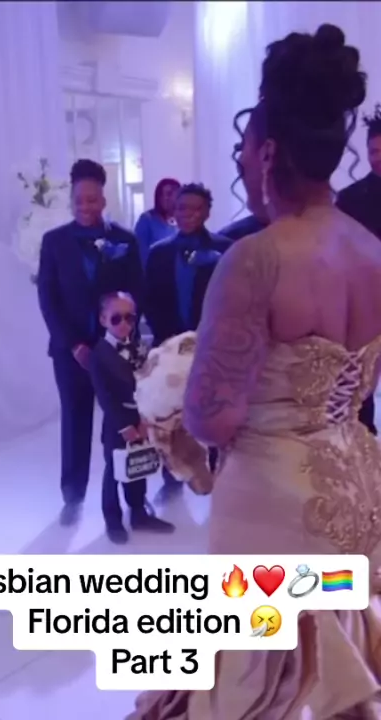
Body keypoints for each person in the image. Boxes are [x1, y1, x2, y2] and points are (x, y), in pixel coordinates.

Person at [128, 24, 381, 719]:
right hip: (359, 481)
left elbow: (214, 417)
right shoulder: (371, 251)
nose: (240, 159)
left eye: (243, 146)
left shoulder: (257, 258)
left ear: (267, 152)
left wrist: (170, 395)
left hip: (272, 502)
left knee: (259, 671)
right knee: (343, 641)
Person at [37, 159, 143, 527]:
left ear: (104, 199)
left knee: (121, 420)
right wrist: (73, 345)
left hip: (114, 351)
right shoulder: (54, 242)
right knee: (75, 420)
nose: (86, 207)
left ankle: (128, 499)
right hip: (70, 354)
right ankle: (73, 496)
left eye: (92, 200)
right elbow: (48, 299)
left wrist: (117, 342)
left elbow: (137, 294)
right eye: (79, 200)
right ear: (71, 200)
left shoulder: (125, 241)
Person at [145, 184, 229, 496]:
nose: (188, 214)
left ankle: (218, 477)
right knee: (170, 414)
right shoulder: (159, 252)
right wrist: (170, 344)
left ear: (207, 212)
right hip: (169, 348)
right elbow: (150, 300)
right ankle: (173, 478)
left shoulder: (225, 249)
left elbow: (229, 301)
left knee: (213, 411)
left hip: (211, 347)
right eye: (182, 208)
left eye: (195, 208)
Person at [88, 291, 174, 543]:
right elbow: (104, 396)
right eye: (116, 318)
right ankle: (112, 518)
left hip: (141, 417)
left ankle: (138, 512)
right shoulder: (99, 353)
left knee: (139, 464)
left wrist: (147, 418)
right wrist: (124, 426)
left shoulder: (140, 347)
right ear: (103, 319)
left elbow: (150, 384)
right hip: (118, 422)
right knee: (114, 469)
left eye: (130, 318)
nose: (124, 324)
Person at [337, 105, 381, 436]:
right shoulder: (351, 199)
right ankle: (363, 439)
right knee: (361, 381)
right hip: (366, 300)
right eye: (373, 151)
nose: (377, 158)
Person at [134, 178, 180, 269]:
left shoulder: (181, 221)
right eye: (162, 195)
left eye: (170, 194)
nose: (166, 198)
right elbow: (140, 255)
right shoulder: (147, 220)